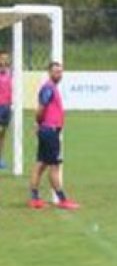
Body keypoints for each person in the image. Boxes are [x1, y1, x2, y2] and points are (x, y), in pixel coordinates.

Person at [29, 61, 80, 209]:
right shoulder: (48, 89)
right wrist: (39, 122)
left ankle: (34, 198)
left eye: (60, 72)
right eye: (56, 71)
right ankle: (62, 199)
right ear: (49, 72)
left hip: (48, 130)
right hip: (49, 131)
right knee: (54, 166)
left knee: (41, 164)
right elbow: (41, 108)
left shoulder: (51, 88)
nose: (59, 74)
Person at [0, 50, 11, 170]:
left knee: (3, 134)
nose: (4, 61)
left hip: (7, 107)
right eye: (2, 58)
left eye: (6, 58)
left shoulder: (10, 73)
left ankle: (0, 158)